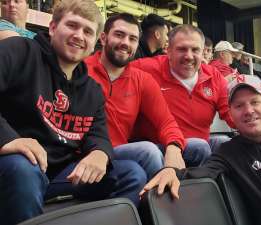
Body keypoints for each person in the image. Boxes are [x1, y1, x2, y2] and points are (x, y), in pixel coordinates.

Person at [0, 1, 147, 224]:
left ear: (95, 42)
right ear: (52, 28)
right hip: (14, 166)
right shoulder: (18, 51)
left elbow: (98, 135)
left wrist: (100, 153)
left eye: (88, 31)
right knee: (23, 169)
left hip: (60, 174)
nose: (79, 35)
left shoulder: (92, 90)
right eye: (72, 25)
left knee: (132, 174)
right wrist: (8, 139)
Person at [142, 75, 261, 225]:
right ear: (230, 113)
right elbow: (199, 172)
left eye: (255, 102)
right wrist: (170, 171)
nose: (248, 111)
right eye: (239, 106)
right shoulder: (230, 152)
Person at [85, 13, 200, 180]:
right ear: (103, 38)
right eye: (119, 35)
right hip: (90, 151)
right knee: (148, 151)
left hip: (122, 150)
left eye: (132, 38)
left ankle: (191, 198)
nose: (125, 43)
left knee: (199, 147)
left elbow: (166, 122)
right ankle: (160, 204)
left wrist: (174, 147)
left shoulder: (142, 79)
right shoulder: (82, 70)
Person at [131, 25, 234, 155]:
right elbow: (111, 73)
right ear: (168, 51)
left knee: (225, 143)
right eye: (181, 49)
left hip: (200, 150)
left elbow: (231, 113)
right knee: (199, 146)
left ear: (203, 53)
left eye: (195, 50)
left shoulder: (214, 77)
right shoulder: (144, 68)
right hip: (159, 149)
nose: (189, 56)